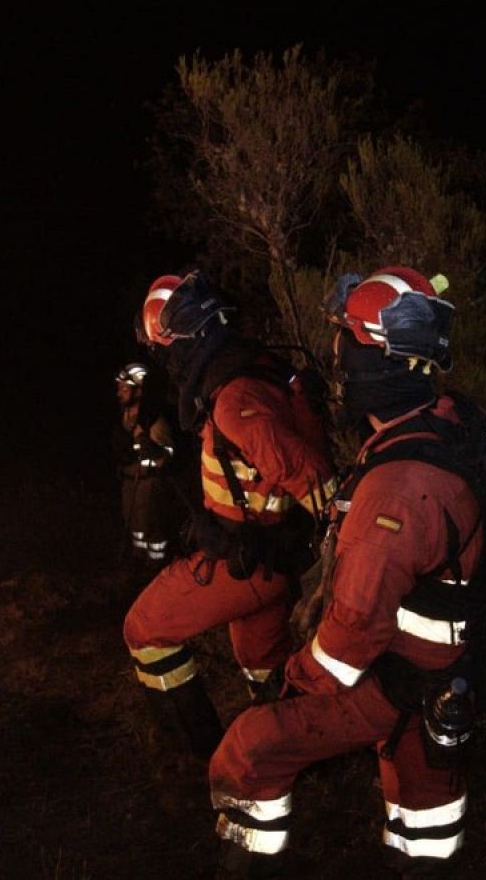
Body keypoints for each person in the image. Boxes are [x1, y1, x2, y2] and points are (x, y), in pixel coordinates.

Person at [209, 267, 486, 877]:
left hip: (395, 676)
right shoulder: (450, 418)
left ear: (371, 362)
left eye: (347, 342)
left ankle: (246, 863)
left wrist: (291, 683)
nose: (338, 356)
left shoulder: (396, 493)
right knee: (425, 815)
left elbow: (351, 638)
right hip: (450, 668)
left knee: (253, 749)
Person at [123, 271, 337, 758]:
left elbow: (313, 478)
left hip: (249, 560)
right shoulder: (249, 368)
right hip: (268, 555)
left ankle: (198, 754)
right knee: (264, 666)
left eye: (162, 349)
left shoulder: (234, 399)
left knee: (144, 630)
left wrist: (334, 573)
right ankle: (302, 760)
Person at [113, 362, 183, 575]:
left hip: (149, 487)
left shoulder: (153, 421)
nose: (119, 392)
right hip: (129, 484)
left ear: (139, 389)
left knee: (153, 533)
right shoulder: (124, 419)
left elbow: (167, 457)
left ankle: (156, 570)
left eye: (124, 388)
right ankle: (137, 566)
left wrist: (149, 445)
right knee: (136, 531)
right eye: (119, 387)